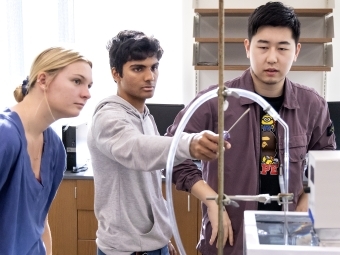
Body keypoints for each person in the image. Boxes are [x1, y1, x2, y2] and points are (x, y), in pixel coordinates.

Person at [166, 2, 336, 255]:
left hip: (288, 242)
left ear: (297, 51)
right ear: (248, 47)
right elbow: (170, 154)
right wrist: (211, 200)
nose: (272, 57)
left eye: (282, 48)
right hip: (228, 242)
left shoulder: (311, 105)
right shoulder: (216, 101)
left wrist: (308, 198)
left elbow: (327, 162)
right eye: (263, 46)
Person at [87, 30, 230, 255]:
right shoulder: (108, 117)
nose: (149, 76)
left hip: (153, 246)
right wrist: (189, 143)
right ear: (116, 73)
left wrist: (161, 239)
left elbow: (149, 187)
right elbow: (137, 150)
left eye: (153, 67)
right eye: (138, 68)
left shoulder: (144, 115)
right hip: (125, 251)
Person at [0, 47, 93, 255]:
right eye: (77, 81)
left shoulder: (55, 148)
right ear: (43, 80)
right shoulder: (5, 136)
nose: (87, 93)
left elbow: (40, 222)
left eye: (89, 85)